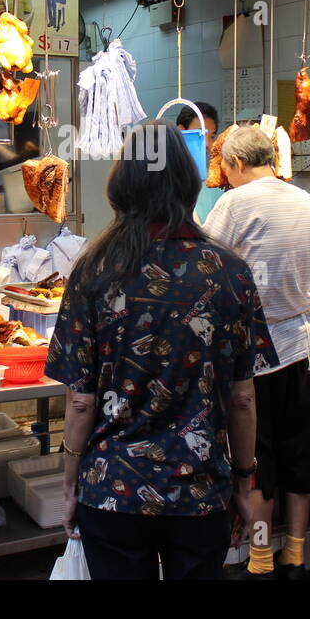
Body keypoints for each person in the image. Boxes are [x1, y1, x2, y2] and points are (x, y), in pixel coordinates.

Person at [45, 121, 277, 580]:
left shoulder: (93, 270)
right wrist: (244, 482)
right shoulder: (228, 271)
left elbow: (80, 400)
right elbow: (243, 398)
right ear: (189, 183)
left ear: (123, 184)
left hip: (112, 490)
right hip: (200, 493)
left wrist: (70, 485)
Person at [202, 126, 310, 579]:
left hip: (251, 356)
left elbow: (205, 268)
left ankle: (260, 558)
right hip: (298, 348)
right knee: (297, 454)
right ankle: (295, 556)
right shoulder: (305, 200)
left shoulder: (234, 203)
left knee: (256, 463)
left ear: (235, 164)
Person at [175, 101, 223, 224]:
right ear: (181, 131)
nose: (207, 144)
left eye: (211, 136)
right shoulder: (165, 177)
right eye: (200, 134)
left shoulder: (214, 183)